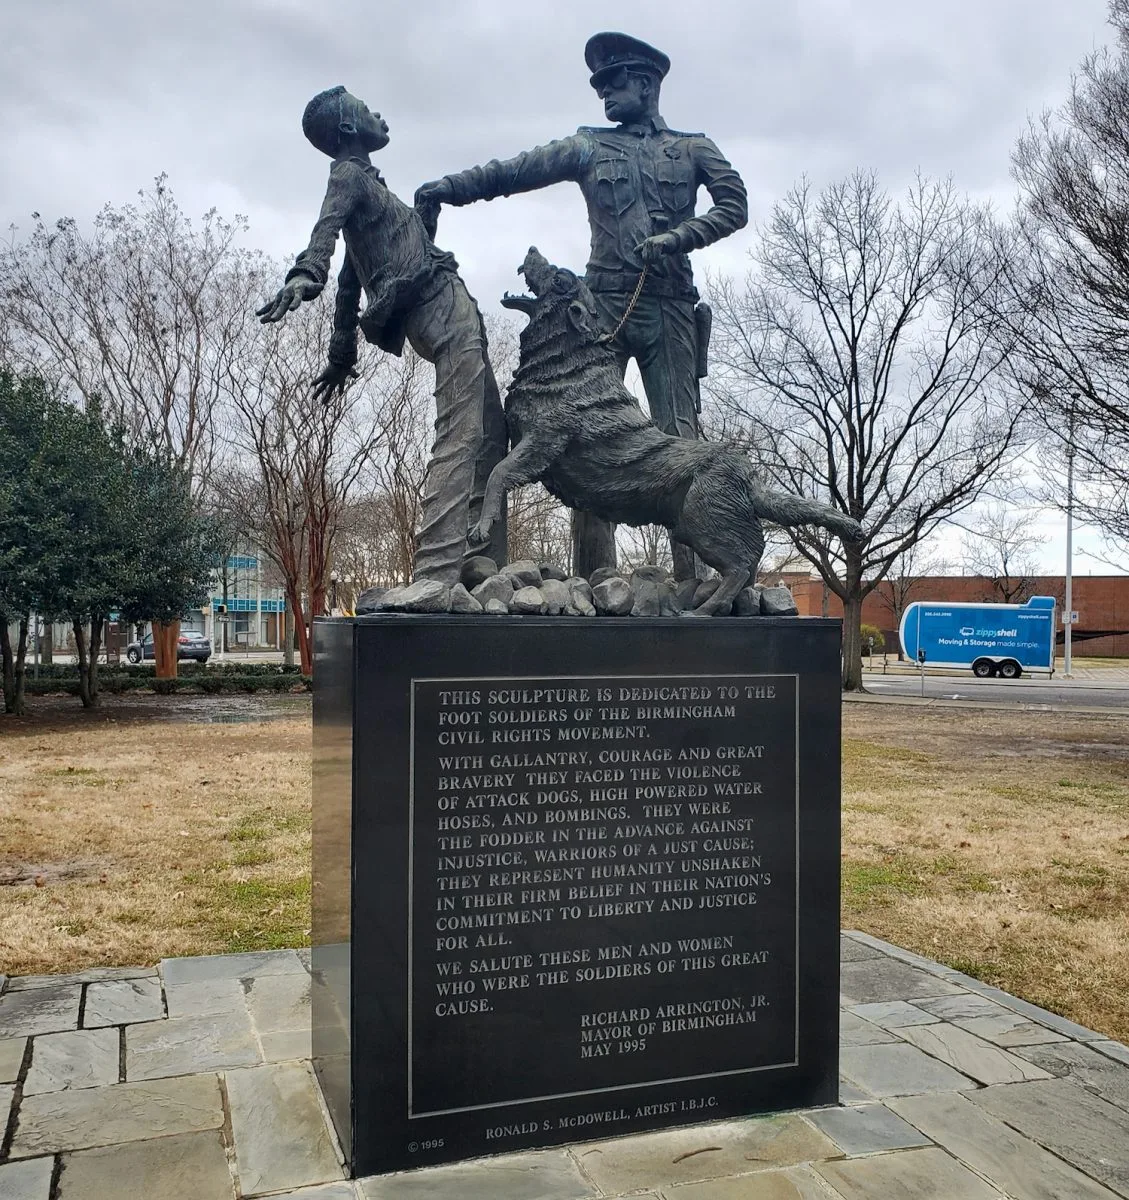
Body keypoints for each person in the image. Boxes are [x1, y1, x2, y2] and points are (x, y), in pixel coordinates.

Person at [415, 32, 748, 578]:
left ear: (645, 84)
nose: (605, 97)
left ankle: (695, 580)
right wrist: (448, 188)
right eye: (600, 88)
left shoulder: (694, 148)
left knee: (681, 436)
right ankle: (599, 577)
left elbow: (735, 206)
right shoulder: (590, 144)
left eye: (614, 85)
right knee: (587, 440)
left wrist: (681, 237)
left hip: (670, 309)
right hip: (599, 312)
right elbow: (517, 170)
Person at [258, 86, 507, 588]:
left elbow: (350, 284)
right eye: (365, 108)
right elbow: (322, 236)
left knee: (491, 435)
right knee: (462, 436)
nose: (378, 112)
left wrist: (341, 353)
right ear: (350, 129)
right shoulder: (348, 176)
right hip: (438, 306)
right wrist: (304, 274)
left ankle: (484, 572)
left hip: (443, 307)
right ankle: (435, 576)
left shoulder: (371, 197)